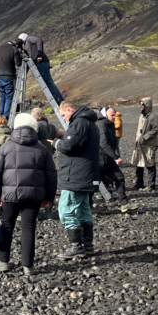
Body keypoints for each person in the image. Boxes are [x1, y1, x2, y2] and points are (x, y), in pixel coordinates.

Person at [0, 113, 57, 275]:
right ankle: (28, 265)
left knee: (7, 225)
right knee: (28, 228)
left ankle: (2, 261)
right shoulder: (42, 149)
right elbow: (52, 175)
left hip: (9, 194)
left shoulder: (6, 147)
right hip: (34, 195)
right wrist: (49, 197)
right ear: (35, 128)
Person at [54, 102, 101, 258]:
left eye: (64, 115)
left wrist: (56, 143)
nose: (65, 119)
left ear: (69, 110)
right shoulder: (90, 123)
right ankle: (87, 246)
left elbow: (69, 145)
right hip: (86, 175)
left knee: (66, 210)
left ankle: (77, 247)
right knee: (83, 210)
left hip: (76, 176)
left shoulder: (80, 123)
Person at [18, 33, 64, 104]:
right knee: (47, 84)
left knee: (48, 84)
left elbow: (38, 40)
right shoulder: (27, 44)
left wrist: (39, 54)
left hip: (41, 63)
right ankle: (57, 103)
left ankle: (60, 103)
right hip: (38, 64)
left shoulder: (29, 39)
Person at [97, 107, 128, 210]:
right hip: (100, 159)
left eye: (115, 115)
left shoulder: (110, 125)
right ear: (105, 115)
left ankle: (124, 203)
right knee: (94, 182)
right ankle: (89, 205)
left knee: (119, 177)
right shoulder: (101, 125)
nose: (115, 117)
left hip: (108, 158)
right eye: (112, 115)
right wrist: (115, 156)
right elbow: (104, 143)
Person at [132, 97, 158, 191]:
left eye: (143, 104)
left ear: (147, 105)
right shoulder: (141, 116)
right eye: (140, 104)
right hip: (139, 144)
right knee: (138, 164)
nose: (141, 106)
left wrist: (145, 137)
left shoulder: (153, 116)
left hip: (149, 145)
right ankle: (139, 183)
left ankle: (151, 186)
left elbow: (156, 129)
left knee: (150, 164)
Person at [0, 40, 23, 116]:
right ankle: (6, 116)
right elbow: (18, 63)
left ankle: (1, 115)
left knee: (2, 96)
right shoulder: (14, 49)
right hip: (9, 76)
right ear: (17, 46)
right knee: (9, 96)